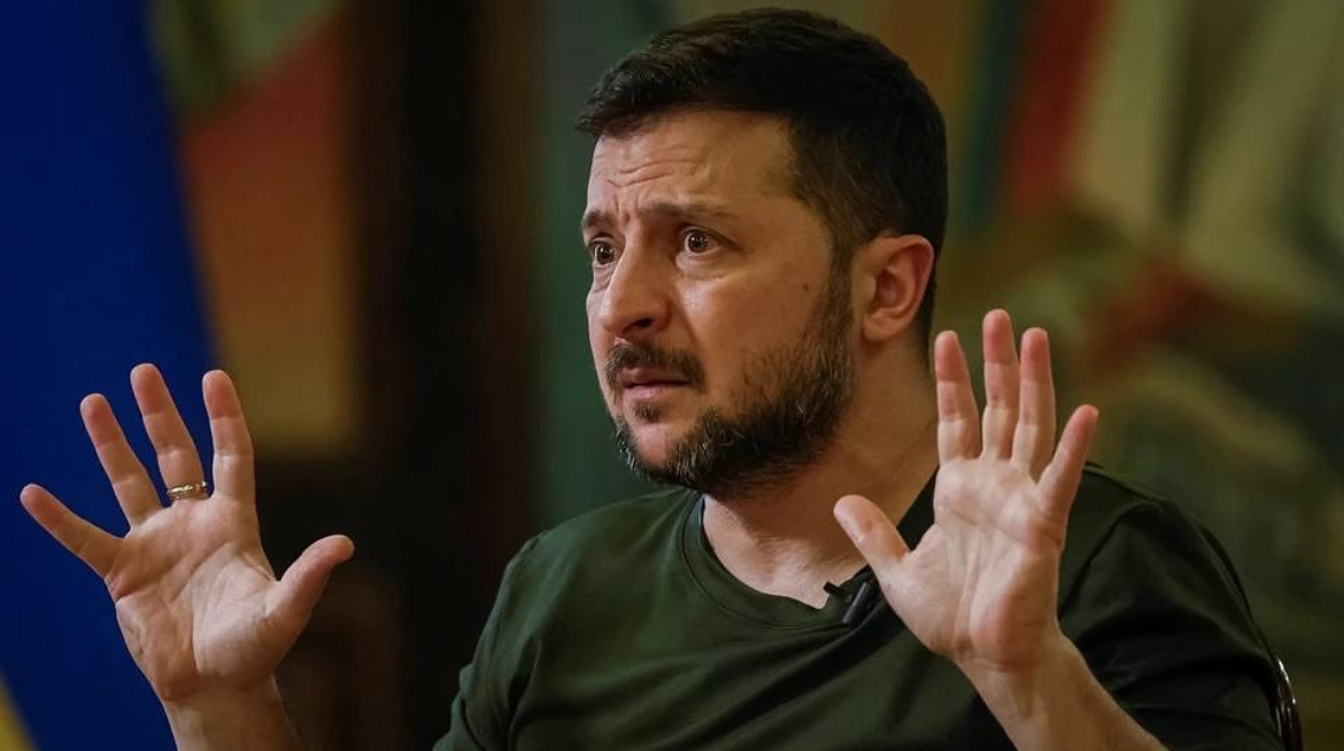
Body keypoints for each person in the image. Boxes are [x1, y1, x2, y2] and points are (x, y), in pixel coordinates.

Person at [19, 9, 1281, 750]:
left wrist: (1028, 678)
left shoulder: (1101, 574)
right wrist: (221, 704)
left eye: (698, 242)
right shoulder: (564, 594)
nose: (621, 305)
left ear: (887, 288)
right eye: (601, 249)